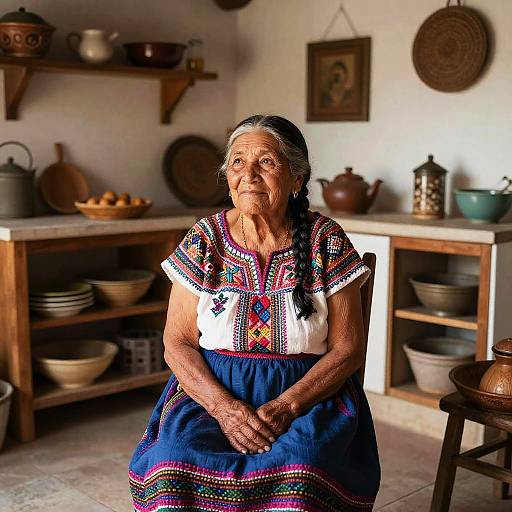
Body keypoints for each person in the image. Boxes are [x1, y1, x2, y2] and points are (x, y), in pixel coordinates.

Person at [129, 115, 380, 511]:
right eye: (237, 163)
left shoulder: (325, 239)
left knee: (302, 470)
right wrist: (224, 409)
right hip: (210, 393)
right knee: (174, 460)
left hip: (309, 396)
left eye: (266, 162)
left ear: (297, 180)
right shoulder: (205, 238)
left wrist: (286, 407)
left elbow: (348, 349)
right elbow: (176, 343)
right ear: (227, 176)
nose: (249, 174)